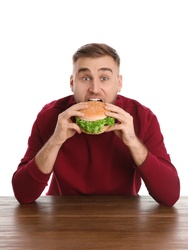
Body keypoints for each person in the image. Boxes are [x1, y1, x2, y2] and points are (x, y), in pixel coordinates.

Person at [12, 43, 180, 206]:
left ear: (119, 83)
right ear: (72, 83)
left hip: (124, 217)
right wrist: (55, 141)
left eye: (104, 78)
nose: (94, 88)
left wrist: (133, 142)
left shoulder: (142, 117)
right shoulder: (51, 116)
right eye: (85, 78)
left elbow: (170, 195)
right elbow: (23, 194)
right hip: (61, 214)